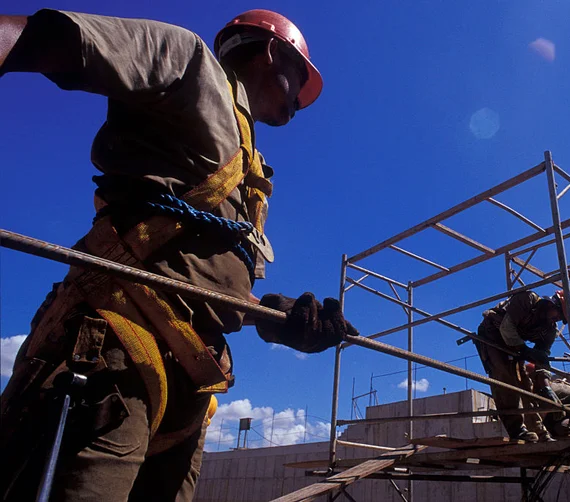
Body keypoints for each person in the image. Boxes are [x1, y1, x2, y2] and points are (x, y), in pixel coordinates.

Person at [0, 8, 357, 501]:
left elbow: (201, 280)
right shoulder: (190, 62)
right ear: (272, 51)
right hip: (115, 358)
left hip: (191, 387)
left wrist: (276, 319)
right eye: (300, 77)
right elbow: (47, 39)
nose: (300, 100)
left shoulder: (251, 164)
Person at [474, 289, 570, 443]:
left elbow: (542, 359)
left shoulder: (549, 330)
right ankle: (516, 431)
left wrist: (546, 388)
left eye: (561, 318)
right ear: (552, 303)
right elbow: (507, 327)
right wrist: (525, 351)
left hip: (514, 344)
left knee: (525, 384)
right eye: (557, 314)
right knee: (505, 378)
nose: (556, 319)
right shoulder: (527, 299)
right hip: (493, 333)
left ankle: (539, 432)